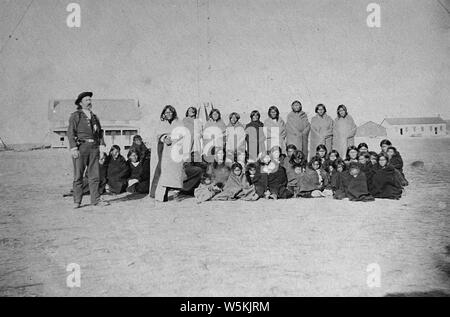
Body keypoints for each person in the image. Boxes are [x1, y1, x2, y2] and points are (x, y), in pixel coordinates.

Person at [68, 92, 109, 208]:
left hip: (94, 148)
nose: (89, 102)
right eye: (86, 100)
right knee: (78, 176)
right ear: (80, 103)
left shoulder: (95, 117)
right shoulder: (76, 115)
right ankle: (77, 201)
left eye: (90, 100)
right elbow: (70, 132)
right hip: (81, 148)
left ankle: (95, 200)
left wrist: (101, 149)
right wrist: (73, 148)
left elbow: (100, 134)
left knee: (95, 176)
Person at [149, 105, 187, 202]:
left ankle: (176, 194)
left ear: (173, 113)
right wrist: (164, 138)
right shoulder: (161, 124)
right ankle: (163, 194)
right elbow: (157, 135)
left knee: (176, 173)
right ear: (164, 114)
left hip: (176, 150)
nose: (168, 114)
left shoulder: (179, 123)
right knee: (164, 172)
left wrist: (173, 137)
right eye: (166, 112)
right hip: (165, 150)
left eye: (170, 112)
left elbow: (183, 134)